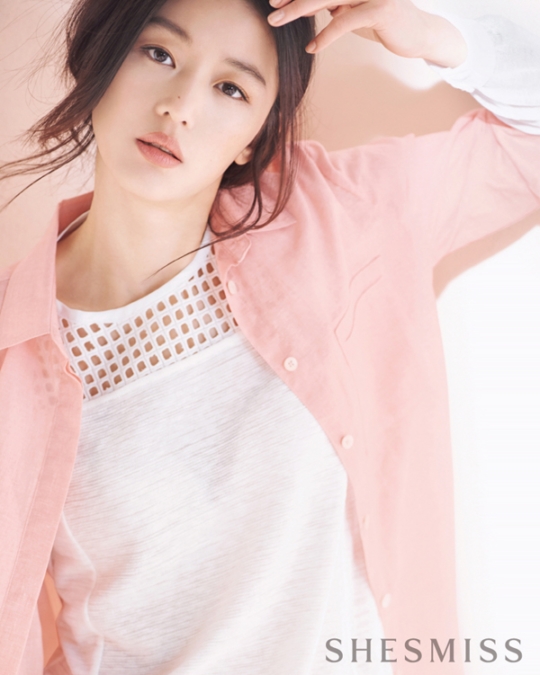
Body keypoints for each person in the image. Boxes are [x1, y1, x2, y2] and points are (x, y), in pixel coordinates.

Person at [0, 0, 539, 673]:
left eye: (231, 88)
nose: (180, 106)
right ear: (103, 60)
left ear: (254, 138)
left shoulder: (338, 219)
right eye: (159, 54)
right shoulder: (13, 353)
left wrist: (434, 30)